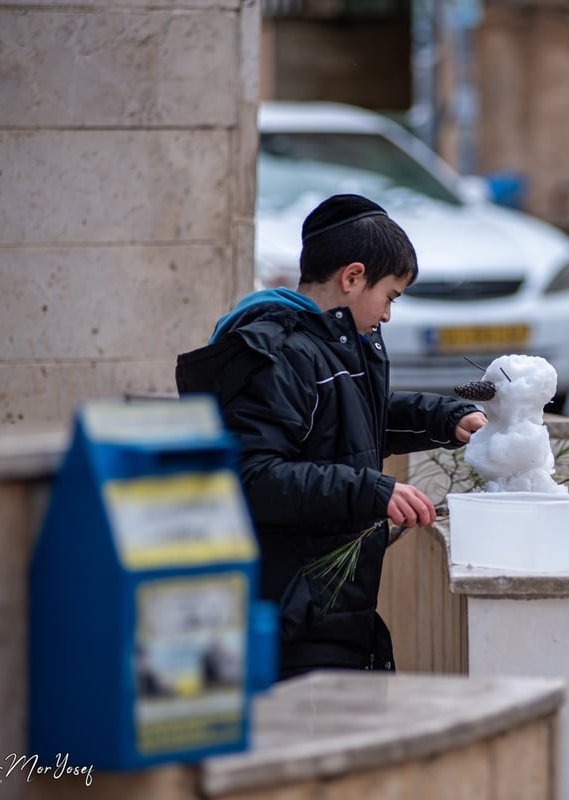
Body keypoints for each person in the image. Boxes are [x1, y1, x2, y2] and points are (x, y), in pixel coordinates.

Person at [176, 194, 487, 679]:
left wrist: (444, 419)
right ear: (352, 277)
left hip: (329, 610)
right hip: (291, 614)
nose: (387, 314)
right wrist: (373, 491)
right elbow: (252, 477)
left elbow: (353, 424)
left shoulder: (335, 346)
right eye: (391, 296)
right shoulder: (281, 354)